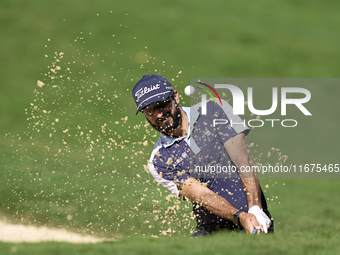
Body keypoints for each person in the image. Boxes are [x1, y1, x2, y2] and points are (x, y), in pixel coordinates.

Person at [132, 74, 273, 236]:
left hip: (257, 222)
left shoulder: (214, 110)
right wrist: (240, 217)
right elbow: (202, 195)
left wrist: (255, 209)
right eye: (150, 110)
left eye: (162, 104)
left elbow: (243, 160)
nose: (158, 114)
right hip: (212, 232)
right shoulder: (159, 160)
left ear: (175, 97)